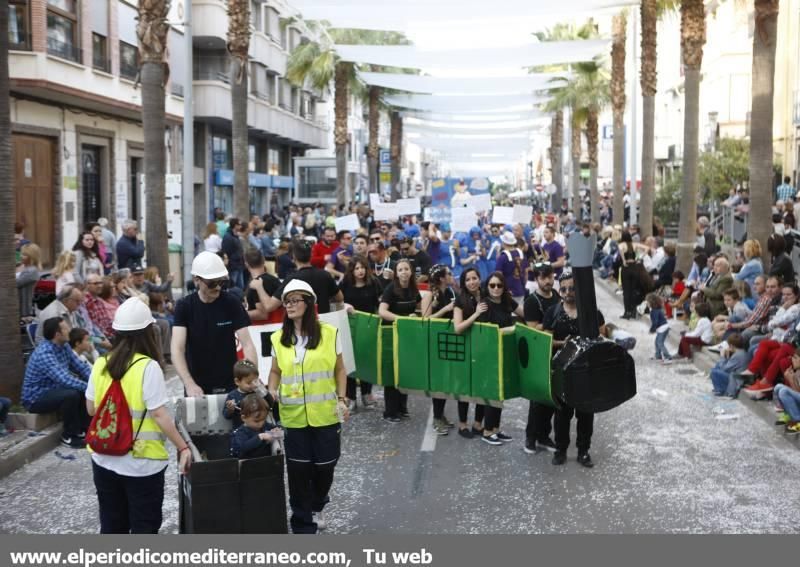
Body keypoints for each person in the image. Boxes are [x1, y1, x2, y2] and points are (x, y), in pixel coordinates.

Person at [85, 298, 192, 534]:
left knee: (112, 525)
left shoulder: (101, 363)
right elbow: (159, 414)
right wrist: (183, 447)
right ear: (148, 332)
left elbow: (91, 409)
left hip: (103, 457)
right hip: (141, 462)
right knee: (145, 526)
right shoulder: (147, 367)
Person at [267, 279, 349, 534]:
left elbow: (340, 369)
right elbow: (274, 371)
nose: (289, 306)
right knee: (298, 470)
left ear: (309, 303)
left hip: (325, 414)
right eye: (286, 301)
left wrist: (342, 399)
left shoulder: (329, 333)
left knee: (325, 466)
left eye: (294, 300)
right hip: (293, 417)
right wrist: (271, 389)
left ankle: (317, 504)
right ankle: (302, 522)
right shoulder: (278, 338)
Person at [172, 252, 258, 396]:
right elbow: (177, 349)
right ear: (196, 280)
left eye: (222, 282)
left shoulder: (231, 303)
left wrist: (252, 379)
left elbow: (247, 344)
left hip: (230, 383)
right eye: (212, 283)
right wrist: (189, 384)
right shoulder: (184, 306)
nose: (218, 287)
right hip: (197, 385)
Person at [543, 272, 606, 467]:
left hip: (586, 373)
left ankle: (583, 451)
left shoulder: (592, 312)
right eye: (564, 289)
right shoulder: (553, 312)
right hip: (562, 373)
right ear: (559, 290)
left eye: (572, 288)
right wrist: (565, 343)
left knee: (586, 414)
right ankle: (560, 450)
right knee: (562, 415)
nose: (568, 292)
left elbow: (601, 338)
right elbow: (546, 341)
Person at [21, 317, 91, 448]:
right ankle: (69, 436)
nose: (70, 330)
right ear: (57, 334)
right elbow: (64, 379)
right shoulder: (45, 353)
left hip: (53, 391)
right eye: (66, 328)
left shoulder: (64, 346)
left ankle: (83, 430)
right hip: (35, 398)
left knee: (81, 390)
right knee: (72, 394)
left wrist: (95, 383)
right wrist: (90, 387)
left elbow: (80, 367)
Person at [476, 271, 524, 446]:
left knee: (501, 392)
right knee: (493, 392)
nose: (496, 288)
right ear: (487, 287)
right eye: (492, 285)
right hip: (489, 354)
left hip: (505, 351)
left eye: (499, 285)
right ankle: (487, 431)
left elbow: (524, 313)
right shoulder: (484, 305)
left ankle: (495, 429)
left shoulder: (507, 301)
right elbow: (486, 332)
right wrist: (510, 330)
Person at [522, 263, 560, 454]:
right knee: (537, 399)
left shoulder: (558, 297)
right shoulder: (531, 301)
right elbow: (532, 330)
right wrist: (548, 324)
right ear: (537, 279)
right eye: (544, 277)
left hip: (557, 352)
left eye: (550, 277)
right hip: (539, 355)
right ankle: (530, 437)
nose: (548, 281)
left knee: (552, 398)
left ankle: (544, 436)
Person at [378, 259, 422, 423]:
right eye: (401, 269)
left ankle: (402, 408)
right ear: (396, 273)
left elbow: (417, 307)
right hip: (391, 335)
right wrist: (401, 319)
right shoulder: (391, 289)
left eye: (406, 269)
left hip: (406, 336)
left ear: (411, 272)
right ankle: (390, 412)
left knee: (404, 372)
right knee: (391, 374)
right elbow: (382, 311)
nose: (404, 272)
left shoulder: (412, 288)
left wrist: (416, 315)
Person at [339, 255, 380, 410]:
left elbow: (380, 302)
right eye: (356, 268)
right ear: (352, 270)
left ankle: (366, 393)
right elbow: (337, 302)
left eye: (362, 267)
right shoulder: (345, 284)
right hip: (349, 327)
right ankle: (350, 396)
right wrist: (347, 306)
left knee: (366, 359)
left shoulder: (374, 282)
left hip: (368, 326)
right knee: (349, 361)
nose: (360, 271)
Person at [420, 264, 457, 435]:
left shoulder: (449, 292)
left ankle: (440, 415)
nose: (451, 275)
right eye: (449, 273)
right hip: (434, 341)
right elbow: (425, 319)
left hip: (447, 340)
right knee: (439, 381)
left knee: (446, 380)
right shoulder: (429, 295)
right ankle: (436, 418)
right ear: (442, 278)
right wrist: (445, 309)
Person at [229, 394, 283, 459]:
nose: (261, 423)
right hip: (247, 464)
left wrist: (277, 431)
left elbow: (283, 432)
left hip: (266, 462)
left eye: (263, 419)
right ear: (243, 418)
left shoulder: (265, 425)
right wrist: (260, 437)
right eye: (257, 421)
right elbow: (241, 448)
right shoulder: (240, 433)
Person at [224, 360, 262, 429]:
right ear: (237, 381)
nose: (253, 385)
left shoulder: (257, 393)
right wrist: (230, 409)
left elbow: (268, 407)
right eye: (249, 383)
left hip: (257, 430)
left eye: (255, 381)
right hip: (240, 431)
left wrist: (262, 390)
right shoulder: (232, 395)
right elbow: (226, 416)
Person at [495, 231, 527, 305]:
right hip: (521, 289)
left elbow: (498, 276)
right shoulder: (521, 254)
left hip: (508, 291)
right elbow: (526, 272)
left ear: (504, 243)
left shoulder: (502, 257)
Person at [16, 243, 41, 318]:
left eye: (24, 255)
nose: (21, 256)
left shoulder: (32, 271)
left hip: (23, 310)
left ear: (32, 257)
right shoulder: (23, 267)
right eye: (21, 254)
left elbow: (15, 283)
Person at [647, 293, 672, 364]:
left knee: (660, 343)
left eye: (648, 302)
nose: (647, 303)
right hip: (663, 327)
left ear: (651, 303)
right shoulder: (656, 309)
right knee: (657, 342)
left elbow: (655, 322)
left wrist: (652, 330)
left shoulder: (654, 311)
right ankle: (658, 356)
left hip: (662, 328)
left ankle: (668, 357)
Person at [222, 218, 246, 290]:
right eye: (239, 225)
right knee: (232, 286)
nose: (241, 226)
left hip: (239, 265)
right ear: (235, 225)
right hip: (233, 266)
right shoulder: (228, 236)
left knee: (240, 286)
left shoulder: (235, 236)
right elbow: (226, 252)